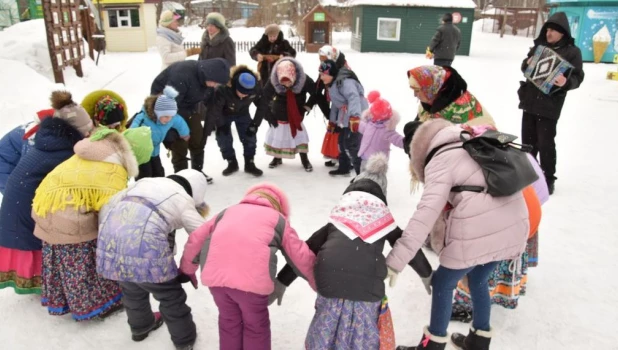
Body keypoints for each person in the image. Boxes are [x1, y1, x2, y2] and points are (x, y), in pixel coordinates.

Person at [389, 119, 529, 350]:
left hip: (483, 226)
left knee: (443, 283)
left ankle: (432, 345)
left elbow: (425, 214)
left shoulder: (440, 160)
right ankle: (479, 341)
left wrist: (396, 261)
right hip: (513, 224)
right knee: (479, 278)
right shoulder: (472, 141)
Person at [271, 154, 433, 349]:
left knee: (326, 324)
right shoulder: (384, 221)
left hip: (329, 283)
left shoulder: (337, 220)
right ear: (382, 195)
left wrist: (282, 280)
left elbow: (305, 249)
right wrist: (427, 273)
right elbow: (407, 245)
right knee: (362, 332)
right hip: (368, 288)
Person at [31, 127, 152, 320]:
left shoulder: (97, 151)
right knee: (87, 259)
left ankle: (65, 300)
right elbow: (110, 214)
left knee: (64, 260)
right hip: (67, 215)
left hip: (45, 205)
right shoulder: (114, 170)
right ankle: (98, 305)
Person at [179, 182, 317, 350]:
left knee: (228, 322)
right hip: (252, 286)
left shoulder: (226, 212)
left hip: (216, 281)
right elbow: (299, 255)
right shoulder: (277, 219)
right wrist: (318, 283)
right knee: (255, 327)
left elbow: (196, 240)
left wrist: (187, 270)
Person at [97, 169, 209, 350]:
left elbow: (108, 207)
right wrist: (191, 266)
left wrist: (112, 239)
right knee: (170, 296)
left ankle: (140, 327)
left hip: (111, 243)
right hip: (147, 250)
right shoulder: (183, 199)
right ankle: (184, 340)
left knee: (132, 290)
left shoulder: (144, 183)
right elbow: (202, 235)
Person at [0, 90, 93, 296]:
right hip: (24, 207)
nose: (89, 135)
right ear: (74, 131)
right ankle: (49, 286)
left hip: (18, 203)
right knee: (40, 240)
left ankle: (46, 284)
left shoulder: (49, 140)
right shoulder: (65, 152)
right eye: (87, 131)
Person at [451, 152, 549, 323]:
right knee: (500, 253)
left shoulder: (479, 173)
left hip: (514, 221)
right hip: (528, 212)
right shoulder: (512, 158)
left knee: (483, 259)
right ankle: (502, 291)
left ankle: (467, 305)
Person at [517, 12, 584, 195]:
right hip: (530, 101)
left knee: (546, 143)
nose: (549, 33)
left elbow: (578, 77)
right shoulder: (540, 46)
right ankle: (528, 175)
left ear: (562, 32)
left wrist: (566, 82)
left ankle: (548, 178)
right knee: (527, 143)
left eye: (553, 30)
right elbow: (525, 67)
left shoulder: (572, 52)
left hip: (550, 105)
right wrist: (527, 63)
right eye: (547, 29)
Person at [151, 58, 231, 181]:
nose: (215, 86)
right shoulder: (182, 75)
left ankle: (196, 173)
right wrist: (169, 132)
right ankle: (182, 177)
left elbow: (212, 107)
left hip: (188, 105)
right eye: (214, 82)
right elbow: (168, 106)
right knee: (179, 143)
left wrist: (209, 129)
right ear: (207, 74)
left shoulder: (209, 81)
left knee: (198, 139)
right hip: (167, 104)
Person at [261, 57, 316, 171]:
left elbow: (316, 93)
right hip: (279, 113)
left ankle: (304, 159)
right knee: (279, 135)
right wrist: (269, 116)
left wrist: (306, 107)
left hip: (296, 114)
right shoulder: (273, 80)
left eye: (288, 81)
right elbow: (263, 99)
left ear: (294, 75)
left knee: (299, 137)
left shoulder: (303, 79)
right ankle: (277, 157)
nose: (286, 84)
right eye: (283, 81)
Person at [211, 65, 264, 177]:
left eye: (247, 93)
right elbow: (215, 109)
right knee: (223, 138)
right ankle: (231, 162)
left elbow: (262, 106)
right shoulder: (223, 88)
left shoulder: (256, 87)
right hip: (224, 113)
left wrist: (255, 123)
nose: (244, 95)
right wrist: (220, 125)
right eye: (242, 92)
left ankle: (249, 163)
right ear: (235, 85)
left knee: (250, 136)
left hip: (242, 112)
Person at [319, 59, 367, 176]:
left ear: (331, 73)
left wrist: (355, 117)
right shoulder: (333, 84)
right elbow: (336, 104)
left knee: (351, 144)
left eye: (323, 74)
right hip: (345, 116)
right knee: (341, 142)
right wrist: (332, 122)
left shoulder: (345, 82)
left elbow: (353, 97)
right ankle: (344, 167)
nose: (321, 77)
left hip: (356, 115)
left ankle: (361, 175)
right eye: (321, 74)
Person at [131, 86, 190, 179]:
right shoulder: (143, 117)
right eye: (166, 116)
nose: (169, 119)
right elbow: (132, 131)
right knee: (145, 174)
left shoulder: (171, 118)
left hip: (155, 150)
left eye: (171, 116)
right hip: (142, 152)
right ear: (157, 112)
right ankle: (143, 190)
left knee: (159, 172)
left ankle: (158, 188)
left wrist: (185, 133)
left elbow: (180, 122)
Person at [407, 65, 495, 127]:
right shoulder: (430, 99)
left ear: (431, 87)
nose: (415, 95)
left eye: (417, 90)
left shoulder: (463, 109)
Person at [308, 45, 350, 168]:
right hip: (334, 101)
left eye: (324, 58)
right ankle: (334, 154)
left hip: (343, 104)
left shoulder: (344, 70)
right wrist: (309, 104)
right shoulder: (327, 67)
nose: (322, 61)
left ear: (332, 56)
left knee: (341, 128)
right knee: (333, 126)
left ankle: (344, 157)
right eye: (320, 59)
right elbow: (318, 86)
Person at [0, 108, 54, 194]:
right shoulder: (34, 137)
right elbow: (30, 168)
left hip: (13, 161)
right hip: (5, 169)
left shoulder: (46, 128)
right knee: (20, 197)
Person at [358, 91, 404, 171]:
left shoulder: (387, 130)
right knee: (363, 175)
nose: (372, 116)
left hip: (378, 164)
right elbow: (362, 126)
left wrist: (408, 143)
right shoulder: (369, 124)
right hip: (365, 158)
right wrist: (354, 123)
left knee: (376, 180)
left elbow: (397, 139)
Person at [249, 23, 297, 88]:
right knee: (265, 91)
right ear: (267, 36)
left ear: (278, 34)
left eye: (274, 36)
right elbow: (253, 50)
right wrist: (257, 55)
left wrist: (284, 55)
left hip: (279, 73)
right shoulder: (263, 43)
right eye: (270, 36)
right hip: (264, 74)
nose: (272, 38)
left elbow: (292, 53)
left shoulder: (283, 43)